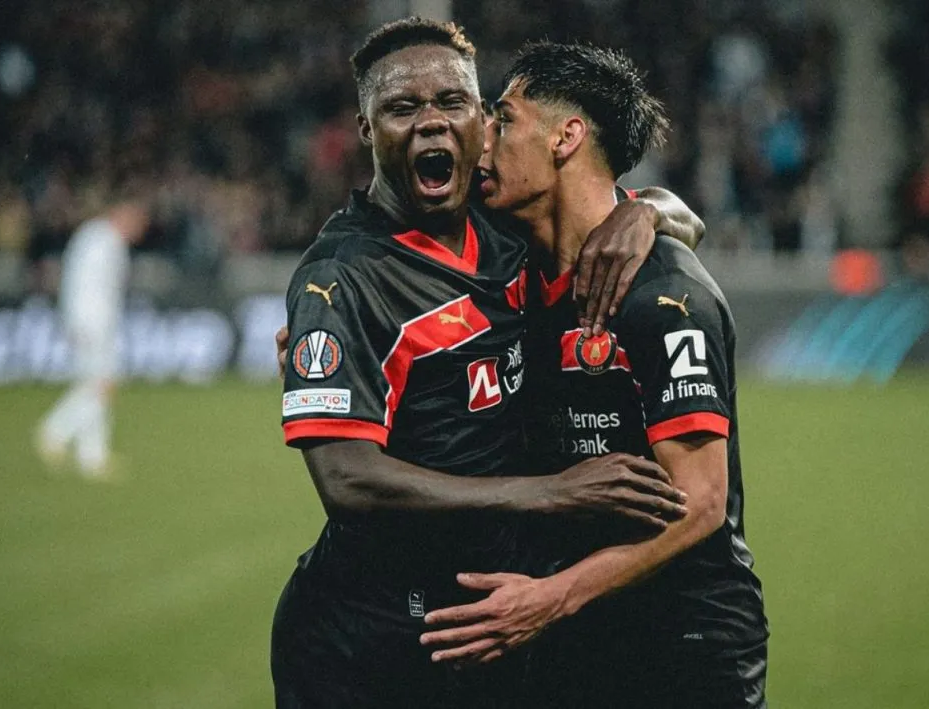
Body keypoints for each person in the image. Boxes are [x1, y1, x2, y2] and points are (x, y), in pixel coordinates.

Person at [271, 18, 704, 709]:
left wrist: (645, 208)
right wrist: (547, 489)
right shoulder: (342, 278)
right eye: (402, 107)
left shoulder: (506, 223)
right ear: (365, 128)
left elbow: (668, 214)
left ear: (481, 119)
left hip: (497, 616)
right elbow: (344, 476)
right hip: (366, 636)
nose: (431, 124)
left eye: (452, 102)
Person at [419, 42, 768, 707]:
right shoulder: (512, 260)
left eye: (506, 118)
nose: (482, 140)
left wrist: (549, 598)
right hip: (573, 637)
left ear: (566, 137)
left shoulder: (665, 297)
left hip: (684, 648)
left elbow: (699, 504)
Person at [35, 196, 149, 478]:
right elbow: (90, 290)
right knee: (101, 386)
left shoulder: (91, 237)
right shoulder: (105, 243)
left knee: (95, 385)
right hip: (94, 324)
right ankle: (56, 431)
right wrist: (82, 325)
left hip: (88, 322)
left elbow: (74, 282)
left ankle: (91, 456)